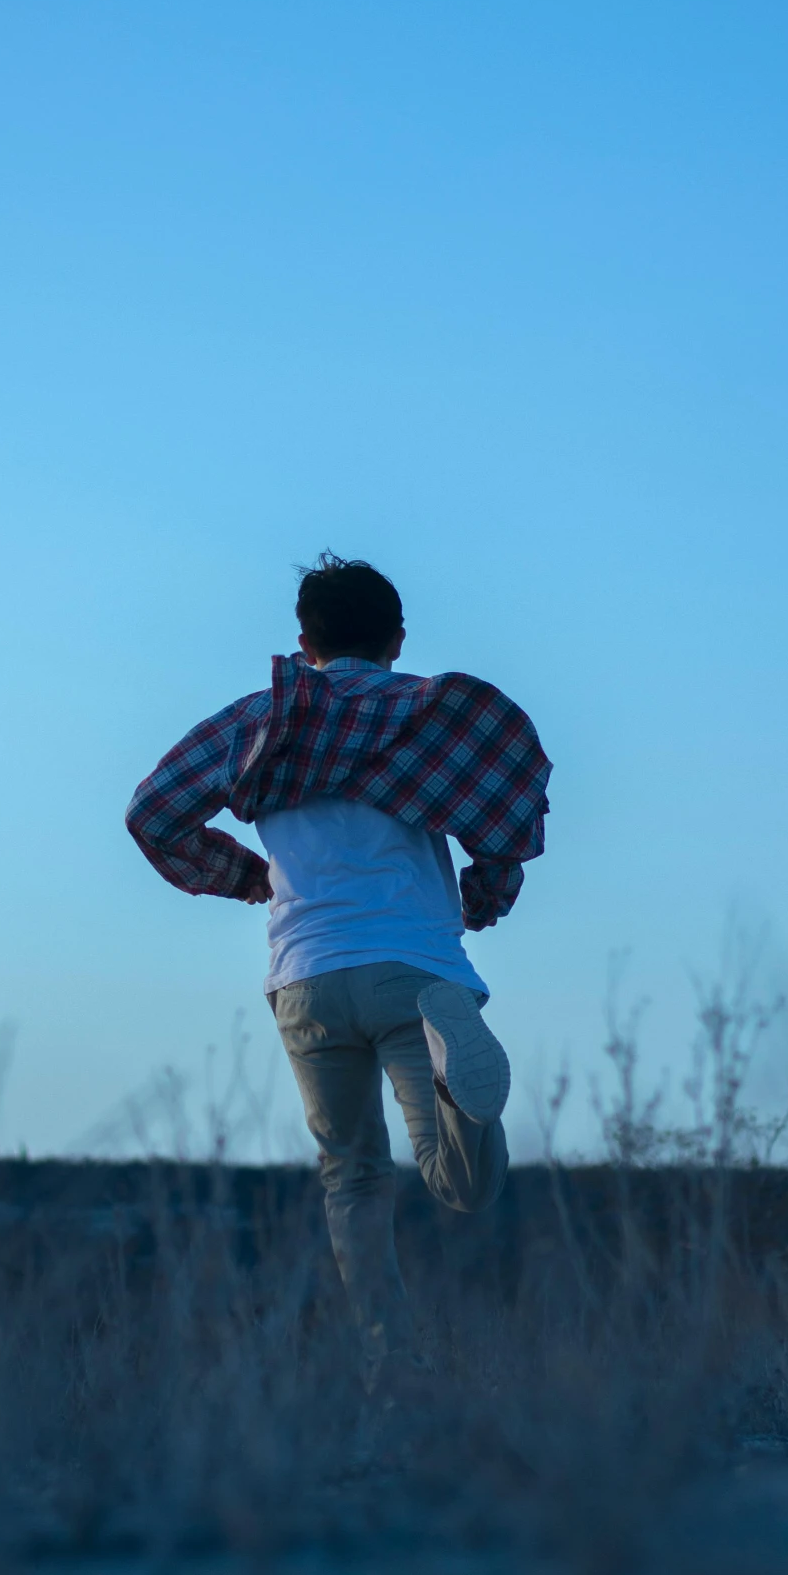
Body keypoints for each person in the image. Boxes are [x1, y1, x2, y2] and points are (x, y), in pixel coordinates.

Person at [125, 553, 550, 1384]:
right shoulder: (430, 717)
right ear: (396, 637)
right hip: (419, 972)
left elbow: (152, 813)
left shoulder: (260, 722)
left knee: (352, 1180)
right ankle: (461, 1095)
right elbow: (504, 818)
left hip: (308, 975)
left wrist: (248, 877)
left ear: (302, 641)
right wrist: (486, 891)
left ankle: (392, 1365)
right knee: (461, 1187)